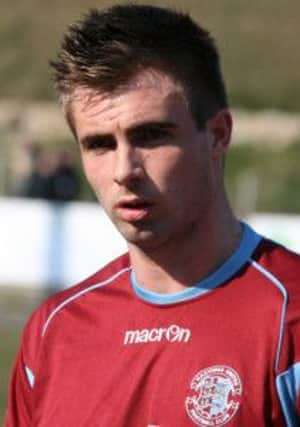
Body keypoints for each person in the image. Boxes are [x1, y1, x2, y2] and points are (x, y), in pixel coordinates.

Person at [5, 4, 300, 426]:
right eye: (100, 144)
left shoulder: (290, 321)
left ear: (217, 136)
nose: (124, 170)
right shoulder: (53, 332)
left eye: (151, 136)